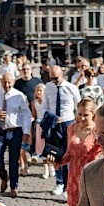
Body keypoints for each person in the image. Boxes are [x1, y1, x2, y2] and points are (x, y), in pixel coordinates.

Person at [40, 65, 82, 197]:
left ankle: (67, 185)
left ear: (62, 73)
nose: (54, 81)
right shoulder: (48, 88)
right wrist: (50, 118)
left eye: (56, 78)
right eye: (51, 78)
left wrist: (79, 123)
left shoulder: (71, 88)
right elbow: (44, 107)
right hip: (54, 124)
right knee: (56, 153)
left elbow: (78, 106)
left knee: (68, 154)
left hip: (68, 123)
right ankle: (59, 182)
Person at [0, 72, 32, 198]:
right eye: (4, 82)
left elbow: (26, 114)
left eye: (9, 82)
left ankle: (14, 186)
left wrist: (26, 132)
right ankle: (3, 176)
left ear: (13, 82)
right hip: (0, 131)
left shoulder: (19, 96)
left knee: (14, 160)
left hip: (15, 131)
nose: (6, 85)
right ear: (1, 81)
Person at [59, 99, 102, 206]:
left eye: (86, 115)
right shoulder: (72, 128)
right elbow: (69, 154)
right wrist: (58, 161)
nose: (82, 118)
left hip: (90, 176)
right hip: (73, 177)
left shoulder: (98, 131)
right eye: (80, 114)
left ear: (93, 114)